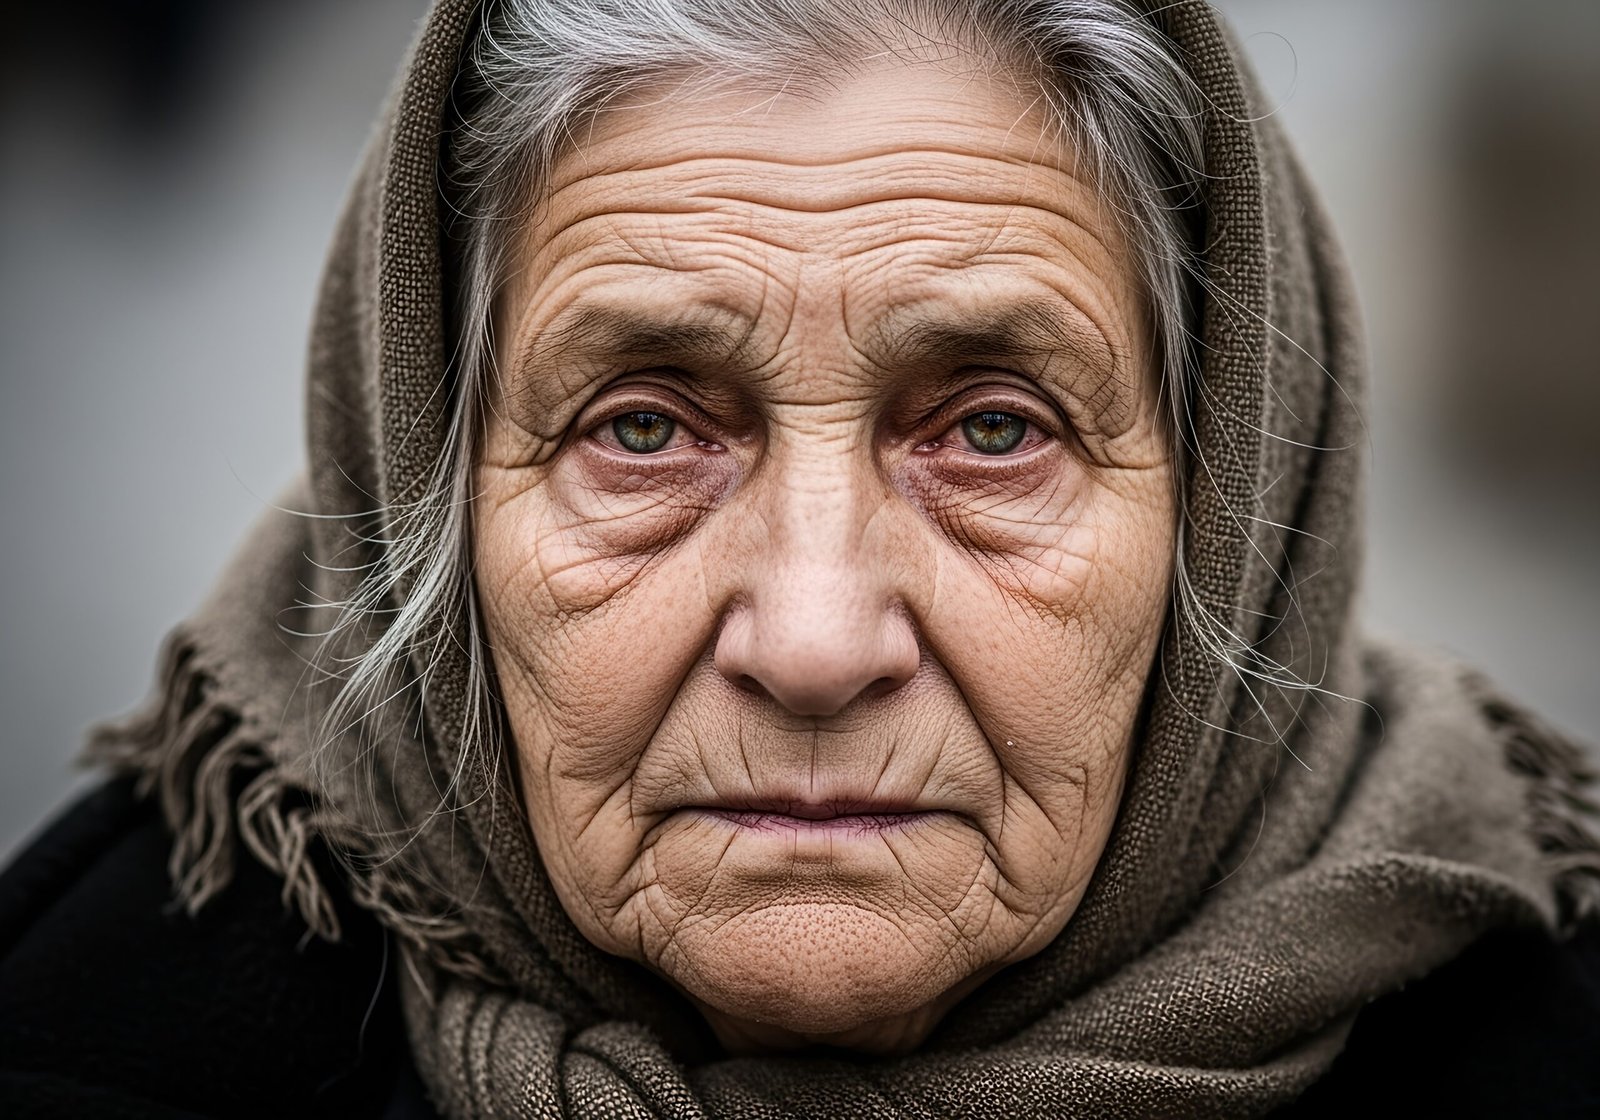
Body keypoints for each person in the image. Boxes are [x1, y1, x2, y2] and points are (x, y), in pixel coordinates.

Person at [2, 0, 1598, 1116]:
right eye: (639, 430)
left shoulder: (1540, 1038)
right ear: (426, 489)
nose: (818, 640)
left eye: (992, 431)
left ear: (1236, 512)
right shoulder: (100, 1025)